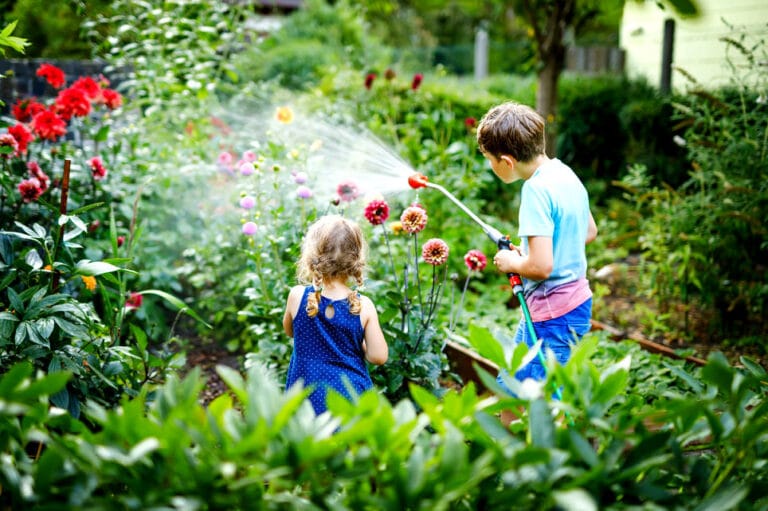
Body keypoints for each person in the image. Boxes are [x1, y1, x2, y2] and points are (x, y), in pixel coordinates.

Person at [476, 101, 598, 397]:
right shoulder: (564, 173)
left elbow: (542, 268)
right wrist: (531, 254)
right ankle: (516, 442)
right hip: (573, 304)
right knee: (513, 386)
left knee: (533, 397)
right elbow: (589, 231)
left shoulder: (534, 191)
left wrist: (512, 262)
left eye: (490, 160)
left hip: (552, 314)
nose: (491, 166)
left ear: (506, 161)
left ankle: (535, 443)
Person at [283, 215, 388, 415]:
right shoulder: (363, 306)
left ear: (312, 255)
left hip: (306, 396)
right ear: (356, 259)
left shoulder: (297, 296)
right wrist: (356, 342)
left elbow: (290, 331)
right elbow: (378, 357)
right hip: (349, 397)